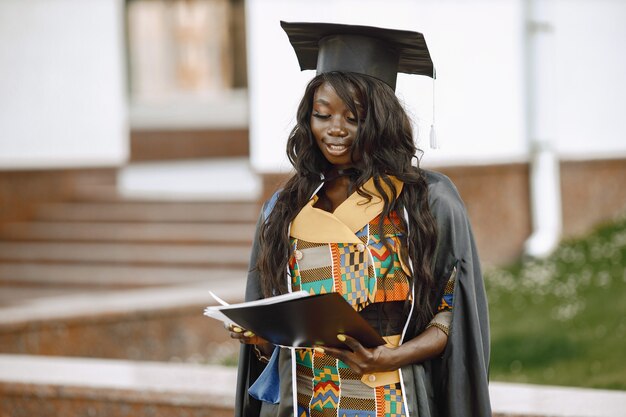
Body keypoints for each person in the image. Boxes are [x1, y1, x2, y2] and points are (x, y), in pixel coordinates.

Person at [229, 21, 491, 417]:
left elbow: (453, 312)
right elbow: (274, 320)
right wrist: (260, 334)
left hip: (386, 400)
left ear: (380, 120)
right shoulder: (285, 207)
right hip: (303, 401)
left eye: (353, 117)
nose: (335, 129)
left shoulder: (424, 200)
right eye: (322, 114)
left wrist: (393, 357)